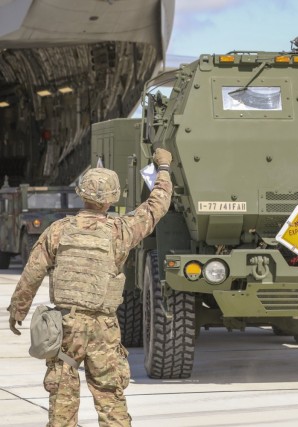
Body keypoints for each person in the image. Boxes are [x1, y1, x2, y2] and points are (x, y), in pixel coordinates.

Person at [7, 148, 173, 426]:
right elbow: (157, 205)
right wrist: (164, 167)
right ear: (113, 197)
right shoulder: (122, 230)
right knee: (110, 397)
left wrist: (18, 309)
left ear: (81, 194)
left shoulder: (58, 230)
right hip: (103, 327)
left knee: (62, 396)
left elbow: (32, 272)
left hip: (66, 325)